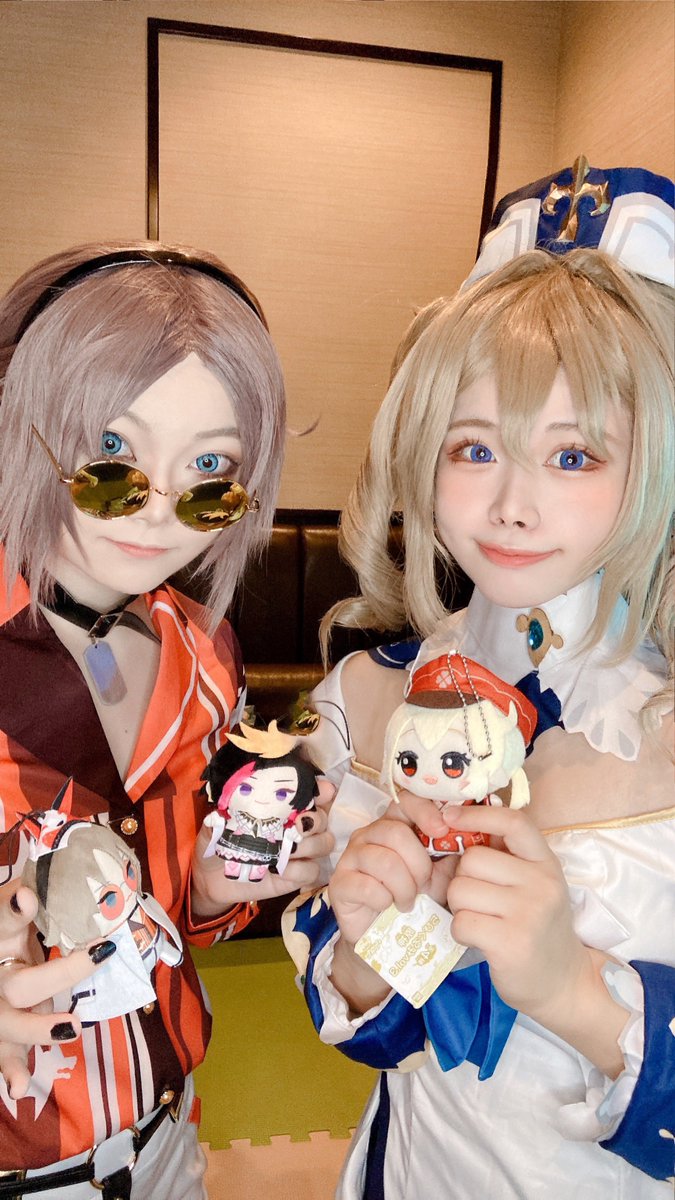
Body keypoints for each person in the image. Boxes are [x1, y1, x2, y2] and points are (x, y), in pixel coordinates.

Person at [284, 161, 675, 1197]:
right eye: (473, 447)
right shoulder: (367, 698)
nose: (510, 504)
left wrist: (569, 988)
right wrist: (369, 945)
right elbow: (354, 1007)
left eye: (574, 455)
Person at [0, 243, 332, 1198]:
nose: (157, 512)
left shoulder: (204, 654)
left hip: (167, 1136)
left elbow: (167, 916)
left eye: (210, 469)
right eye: (111, 455)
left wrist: (220, 886)